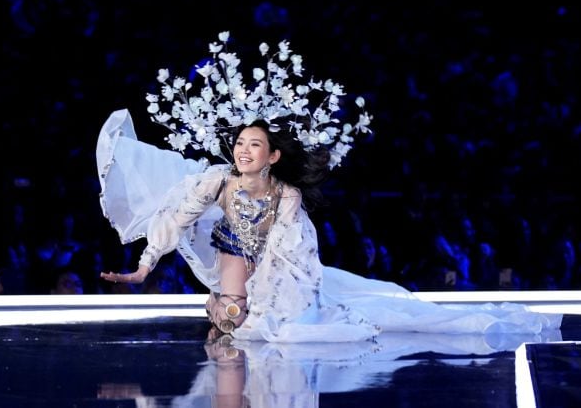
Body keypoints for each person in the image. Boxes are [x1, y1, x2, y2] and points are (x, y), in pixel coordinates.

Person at [97, 31, 562, 342]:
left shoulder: (285, 197)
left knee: (391, 311)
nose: (243, 151)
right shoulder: (210, 183)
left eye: (254, 145)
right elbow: (173, 221)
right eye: (239, 143)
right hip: (246, 283)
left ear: (273, 156)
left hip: (288, 286)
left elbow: (293, 261)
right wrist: (142, 270)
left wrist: (255, 308)